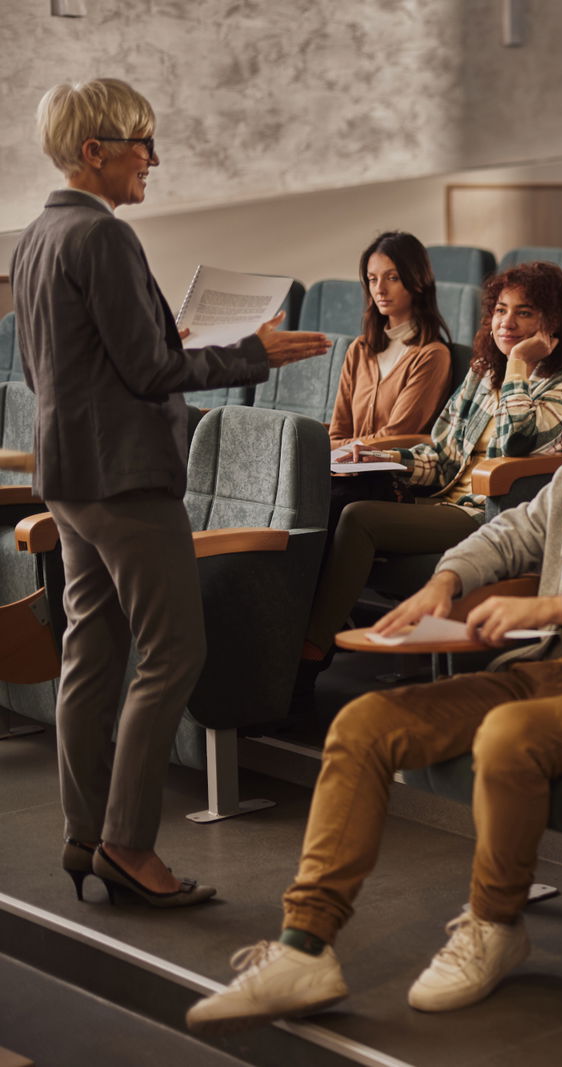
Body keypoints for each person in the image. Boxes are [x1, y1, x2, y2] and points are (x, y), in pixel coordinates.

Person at [186, 324, 562, 1032]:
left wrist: (552, 603)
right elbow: (507, 532)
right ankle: (305, 946)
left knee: (506, 735)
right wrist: (448, 580)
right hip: (539, 670)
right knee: (363, 723)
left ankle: (495, 923)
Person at [10, 79, 329, 907]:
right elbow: (151, 373)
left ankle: (87, 832)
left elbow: (68, 365)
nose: (155, 157)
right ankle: (128, 843)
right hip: (125, 476)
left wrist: (174, 339)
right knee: (174, 650)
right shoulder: (104, 239)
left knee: (92, 648)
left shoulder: (38, 238)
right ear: (95, 152)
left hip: (71, 475)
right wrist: (254, 354)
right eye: (141, 142)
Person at [298, 262, 562, 668]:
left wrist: (519, 365)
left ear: (552, 321)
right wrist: (382, 458)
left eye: (525, 312)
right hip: (438, 499)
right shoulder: (483, 371)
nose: (507, 322)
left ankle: (310, 651)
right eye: (501, 310)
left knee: (358, 518)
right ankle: (291, 634)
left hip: (488, 514)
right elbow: (442, 454)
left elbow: (512, 445)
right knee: (331, 494)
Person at [327, 231, 453, 451]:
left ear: (416, 281)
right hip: (344, 472)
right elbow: (338, 432)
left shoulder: (432, 355)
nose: (379, 289)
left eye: (392, 278)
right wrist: (339, 447)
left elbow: (395, 437)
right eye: (373, 279)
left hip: (390, 478)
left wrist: (337, 447)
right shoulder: (359, 349)